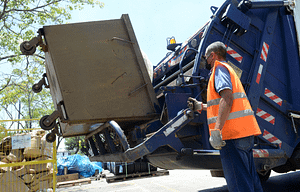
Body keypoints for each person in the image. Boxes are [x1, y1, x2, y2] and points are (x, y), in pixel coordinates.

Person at [188, 41, 263, 192]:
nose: (206, 61)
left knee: (239, 183)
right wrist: (200, 106)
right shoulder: (229, 69)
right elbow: (220, 104)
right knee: (249, 179)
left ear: (213, 55)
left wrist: (216, 131)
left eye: (206, 57)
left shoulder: (219, 69)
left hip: (231, 136)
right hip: (244, 133)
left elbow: (227, 99)